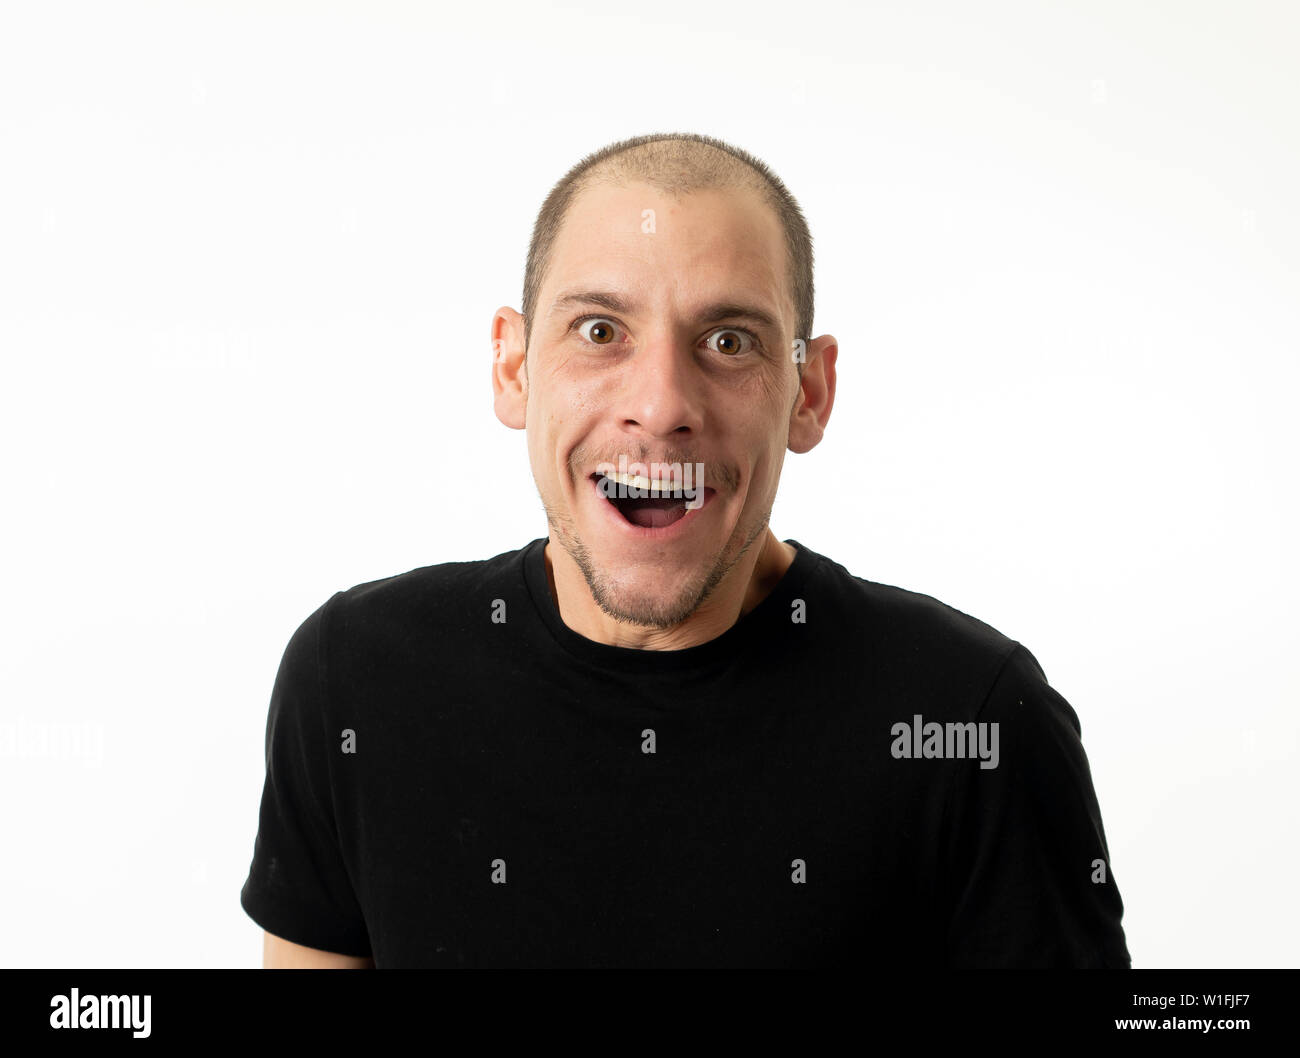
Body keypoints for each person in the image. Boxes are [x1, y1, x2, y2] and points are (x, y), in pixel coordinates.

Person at [240, 131, 1131, 968]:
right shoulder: (352, 679)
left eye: (728, 341)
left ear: (809, 393)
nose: (662, 402)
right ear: (514, 369)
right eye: (599, 331)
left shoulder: (976, 722)